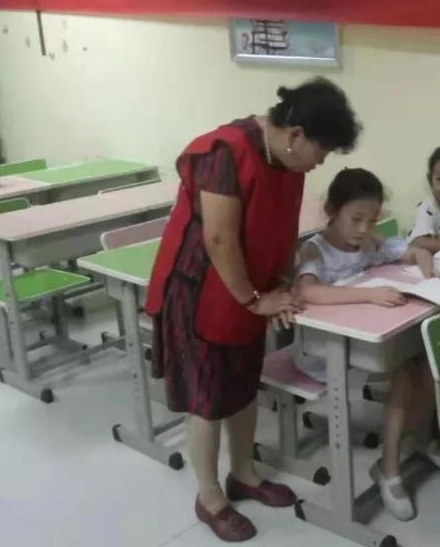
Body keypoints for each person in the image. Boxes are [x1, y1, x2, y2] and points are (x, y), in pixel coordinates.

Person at [144, 77, 361, 542]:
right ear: (295, 134)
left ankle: (243, 473)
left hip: (250, 288)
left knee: (243, 387)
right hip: (200, 289)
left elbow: (281, 227)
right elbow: (219, 239)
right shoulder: (224, 152)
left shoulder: (289, 161)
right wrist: (255, 300)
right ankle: (209, 497)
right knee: (206, 399)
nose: (321, 162)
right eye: (322, 151)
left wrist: (279, 283)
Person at [293, 168, 440, 521]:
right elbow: (309, 292)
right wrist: (370, 295)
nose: (363, 229)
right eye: (356, 219)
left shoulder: (369, 241)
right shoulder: (315, 249)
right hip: (324, 350)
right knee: (405, 368)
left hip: (364, 341)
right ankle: (389, 468)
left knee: (423, 357)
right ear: (332, 210)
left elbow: (412, 251)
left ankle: (421, 436)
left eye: (371, 220)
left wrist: (426, 269)